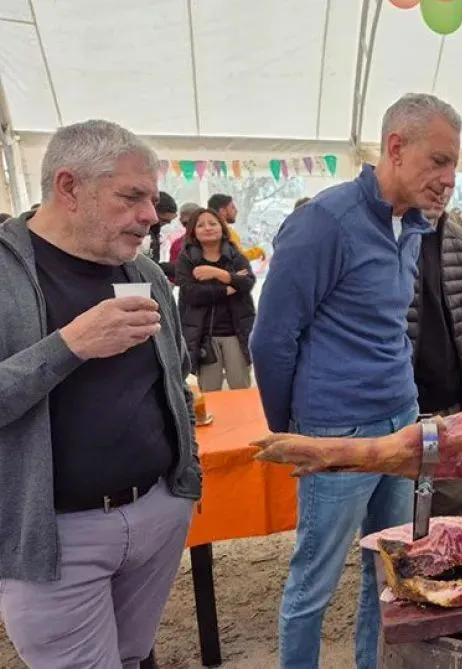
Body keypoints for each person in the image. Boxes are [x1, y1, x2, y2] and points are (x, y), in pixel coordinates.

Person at [250, 92, 461, 669]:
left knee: (389, 571)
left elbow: (391, 327)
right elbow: (270, 339)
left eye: (453, 164)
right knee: (314, 580)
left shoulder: (413, 224)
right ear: (395, 147)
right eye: (437, 161)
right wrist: (294, 432)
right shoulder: (325, 220)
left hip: (400, 423)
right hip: (333, 429)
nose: (448, 178)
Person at [0, 120, 201, 667]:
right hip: (55, 538)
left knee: (133, 656)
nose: (149, 215)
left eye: (153, 199)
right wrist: (70, 344)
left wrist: (185, 484)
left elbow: (176, 375)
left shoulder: (142, 271)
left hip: (157, 513)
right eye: (131, 196)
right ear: (68, 187)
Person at [407, 199, 462, 516]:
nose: (440, 186)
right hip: (399, 405)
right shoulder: (383, 238)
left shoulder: (460, 240)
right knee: (398, 515)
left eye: (448, 173)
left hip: (449, 403)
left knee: (450, 508)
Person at [176, 207, 256, 391]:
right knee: (209, 390)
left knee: (240, 386)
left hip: (236, 332)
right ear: (193, 231)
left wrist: (217, 273)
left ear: (222, 228)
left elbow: (247, 283)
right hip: (203, 335)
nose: (208, 228)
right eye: (201, 225)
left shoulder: (234, 254)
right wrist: (226, 288)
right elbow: (191, 294)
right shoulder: (187, 257)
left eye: (213, 223)